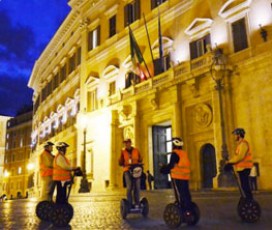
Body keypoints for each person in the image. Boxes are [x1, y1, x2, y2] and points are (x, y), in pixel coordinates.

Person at [160, 137, 192, 209]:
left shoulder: (175, 154)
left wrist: (163, 169)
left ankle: (183, 208)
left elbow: (171, 165)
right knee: (186, 193)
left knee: (179, 193)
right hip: (185, 176)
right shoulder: (184, 153)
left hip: (177, 177)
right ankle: (188, 208)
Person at [226, 128, 253, 201]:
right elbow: (236, 156)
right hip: (242, 168)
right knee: (244, 186)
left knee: (245, 185)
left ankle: (249, 200)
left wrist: (230, 162)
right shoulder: (240, 145)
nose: (234, 137)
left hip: (245, 168)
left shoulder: (243, 144)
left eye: (235, 135)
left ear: (239, 135)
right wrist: (229, 161)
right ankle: (247, 199)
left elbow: (240, 156)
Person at [118, 138, 142, 208]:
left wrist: (140, 162)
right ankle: (129, 203)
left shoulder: (136, 150)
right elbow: (120, 162)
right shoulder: (123, 152)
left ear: (130, 143)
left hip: (135, 170)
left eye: (127, 143)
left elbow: (140, 158)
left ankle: (137, 202)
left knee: (137, 186)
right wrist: (120, 162)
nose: (126, 144)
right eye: (125, 143)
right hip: (127, 170)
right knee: (129, 187)